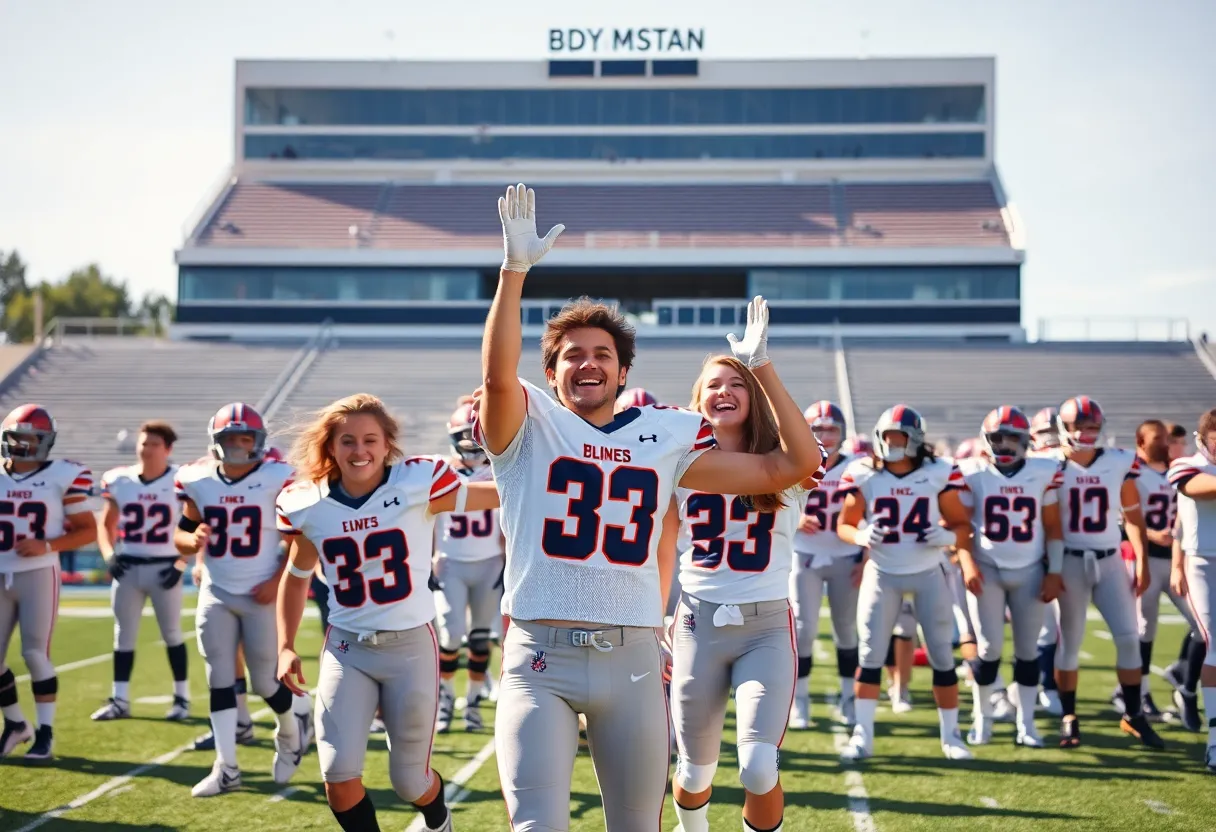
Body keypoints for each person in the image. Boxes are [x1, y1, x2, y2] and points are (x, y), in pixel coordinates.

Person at [479, 183, 821, 832]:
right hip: (539, 656)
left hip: (632, 658)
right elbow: (497, 378)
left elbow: (790, 466)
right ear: (549, 374)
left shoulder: (662, 438)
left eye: (602, 355)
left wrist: (763, 370)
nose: (588, 364)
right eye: (572, 355)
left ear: (623, 373)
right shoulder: (528, 426)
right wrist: (513, 271)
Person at [277, 393, 500, 831]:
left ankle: (438, 821)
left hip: (411, 648)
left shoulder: (418, 484)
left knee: (409, 781)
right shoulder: (306, 503)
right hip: (347, 649)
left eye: (369, 440)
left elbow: (496, 495)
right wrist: (285, 645)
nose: (359, 451)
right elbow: (297, 573)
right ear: (330, 446)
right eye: (347, 441)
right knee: (339, 778)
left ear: (386, 444)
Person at [667, 356, 824, 832]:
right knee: (695, 771)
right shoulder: (676, 463)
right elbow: (659, 550)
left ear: (754, 397)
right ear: (698, 399)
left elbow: (808, 456)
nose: (724, 391)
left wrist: (764, 369)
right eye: (713, 384)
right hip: (696, 622)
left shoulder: (786, 460)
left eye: (738, 383)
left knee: (758, 766)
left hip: (766, 625)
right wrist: (655, 618)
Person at [175, 403, 313, 796]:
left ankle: (291, 726)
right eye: (230, 438)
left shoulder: (278, 478)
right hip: (216, 591)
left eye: (245, 438)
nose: (238, 445)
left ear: (258, 441)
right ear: (216, 442)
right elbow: (180, 534)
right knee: (219, 677)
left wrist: (276, 578)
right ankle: (227, 767)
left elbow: (300, 539)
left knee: (266, 682)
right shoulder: (198, 479)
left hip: (260, 593)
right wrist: (192, 540)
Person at [836, 405, 974, 761]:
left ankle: (952, 737)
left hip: (929, 571)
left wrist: (944, 537)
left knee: (943, 654)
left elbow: (962, 527)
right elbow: (845, 525)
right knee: (869, 656)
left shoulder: (938, 472)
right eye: (887, 436)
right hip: (882, 573)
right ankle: (862, 735)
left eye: (899, 437)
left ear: (915, 439)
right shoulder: (864, 472)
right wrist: (862, 534)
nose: (892, 443)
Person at [1051, 397, 1162, 749]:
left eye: (1092, 428)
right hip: (1069, 561)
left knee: (1129, 637)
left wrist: (1142, 560)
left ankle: (1133, 715)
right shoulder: (1048, 465)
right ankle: (1068, 716)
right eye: (1080, 427)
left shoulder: (1118, 462)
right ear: (1064, 428)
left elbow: (1132, 513)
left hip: (1111, 559)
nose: (1086, 434)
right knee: (1069, 643)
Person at [957, 406, 1065, 747]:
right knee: (988, 650)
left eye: (1011, 438)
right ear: (985, 440)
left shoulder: (1044, 471)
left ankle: (1027, 725)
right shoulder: (971, 471)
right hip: (986, 569)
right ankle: (982, 719)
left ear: (1026, 441)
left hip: (1030, 569)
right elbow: (959, 526)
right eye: (997, 438)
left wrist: (1055, 571)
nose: (1004, 445)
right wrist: (967, 563)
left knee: (1027, 652)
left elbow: (1053, 527)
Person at [0, 404, 97, 761]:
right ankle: (15, 724)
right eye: (16, 437)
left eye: (31, 438)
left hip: (38, 572)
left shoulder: (62, 475)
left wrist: (48, 545)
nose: (23, 444)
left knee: (34, 654)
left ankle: (45, 733)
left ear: (45, 442)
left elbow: (88, 529)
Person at [92, 420, 190, 722]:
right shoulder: (120, 480)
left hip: (165, 568)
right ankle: (119, 699)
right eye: (144, 443)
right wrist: (110, 555)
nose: (146, 450)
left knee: (173, 633)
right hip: (129, 566)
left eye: (154, 444)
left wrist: (181, 564)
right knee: (123, 636)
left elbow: (193, 527)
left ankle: (182, 698)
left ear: (168, 449)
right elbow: (106, 524)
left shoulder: (180, 480)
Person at [433, 399, 505, 733]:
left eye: (479, 435)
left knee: (479, 639)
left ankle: (472, 704)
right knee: (450, 636)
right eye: (467, 436)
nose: (474, 443)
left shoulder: (501, 469)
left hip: (489, 563)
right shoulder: (439, 472)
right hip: (451, 564)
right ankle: (446, 698)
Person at [1117, 420, 1197, 720]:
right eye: (1158, 437)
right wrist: (1152, 535)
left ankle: (1182, 674)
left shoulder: (1179, 469)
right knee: (1143, 629)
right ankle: (1140, 694)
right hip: (1143, 558)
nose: (1165, 442)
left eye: (1166, 437)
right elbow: (1121, 518)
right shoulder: (1131, 471)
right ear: (1141, 442)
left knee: (1202, 624)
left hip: (1178, 559)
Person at [790, 400, 861, 729]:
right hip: (804, 554)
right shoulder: (795, 459)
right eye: (817, 428)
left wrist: (866, 558)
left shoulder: (858, 465)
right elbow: (767, 500)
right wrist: (795, 518)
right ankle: (800, 698)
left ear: (843, 432)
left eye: (831, 428)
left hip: (846, 556)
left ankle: (849, 696)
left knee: (846, 629)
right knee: (803, 630)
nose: (825, 435)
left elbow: (873, 511)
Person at [1168, 407, 1216, 771]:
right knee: (1213, 642)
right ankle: (1215, 740)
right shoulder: (1187, 465)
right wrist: (1176, 565)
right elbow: (1199, 492)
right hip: (1203, 563)